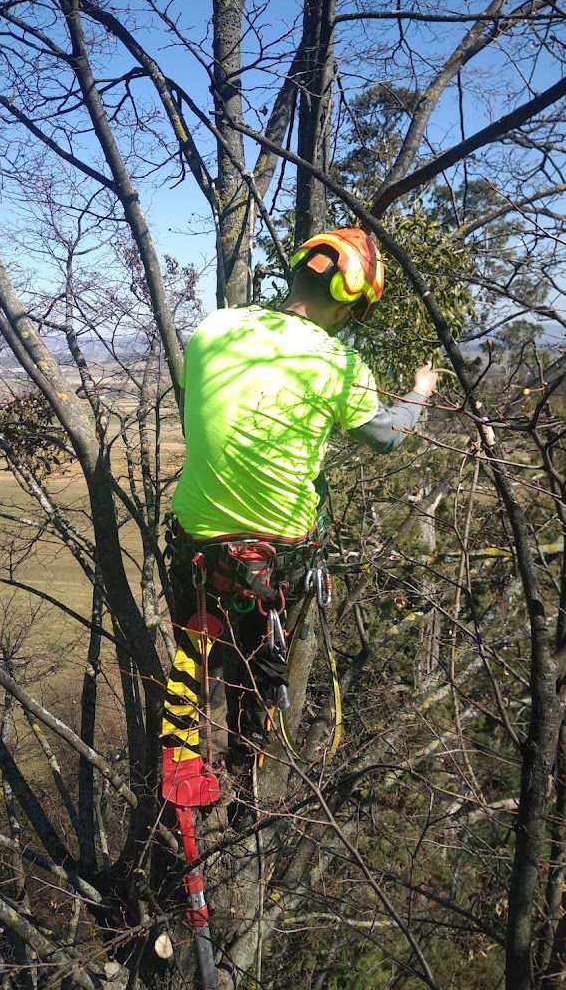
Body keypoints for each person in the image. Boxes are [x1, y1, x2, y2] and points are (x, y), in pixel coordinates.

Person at [160, 228, 439, 791]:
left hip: (198, 545)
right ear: (344, 298)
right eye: (354, 312)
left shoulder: (211, 330)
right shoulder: (338, 363)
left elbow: (200, 415)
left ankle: (198, 740)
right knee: (263, 670)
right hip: (278, 557)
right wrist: (421, 391)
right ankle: (247, 768)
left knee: (204, 654)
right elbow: (387, 437)